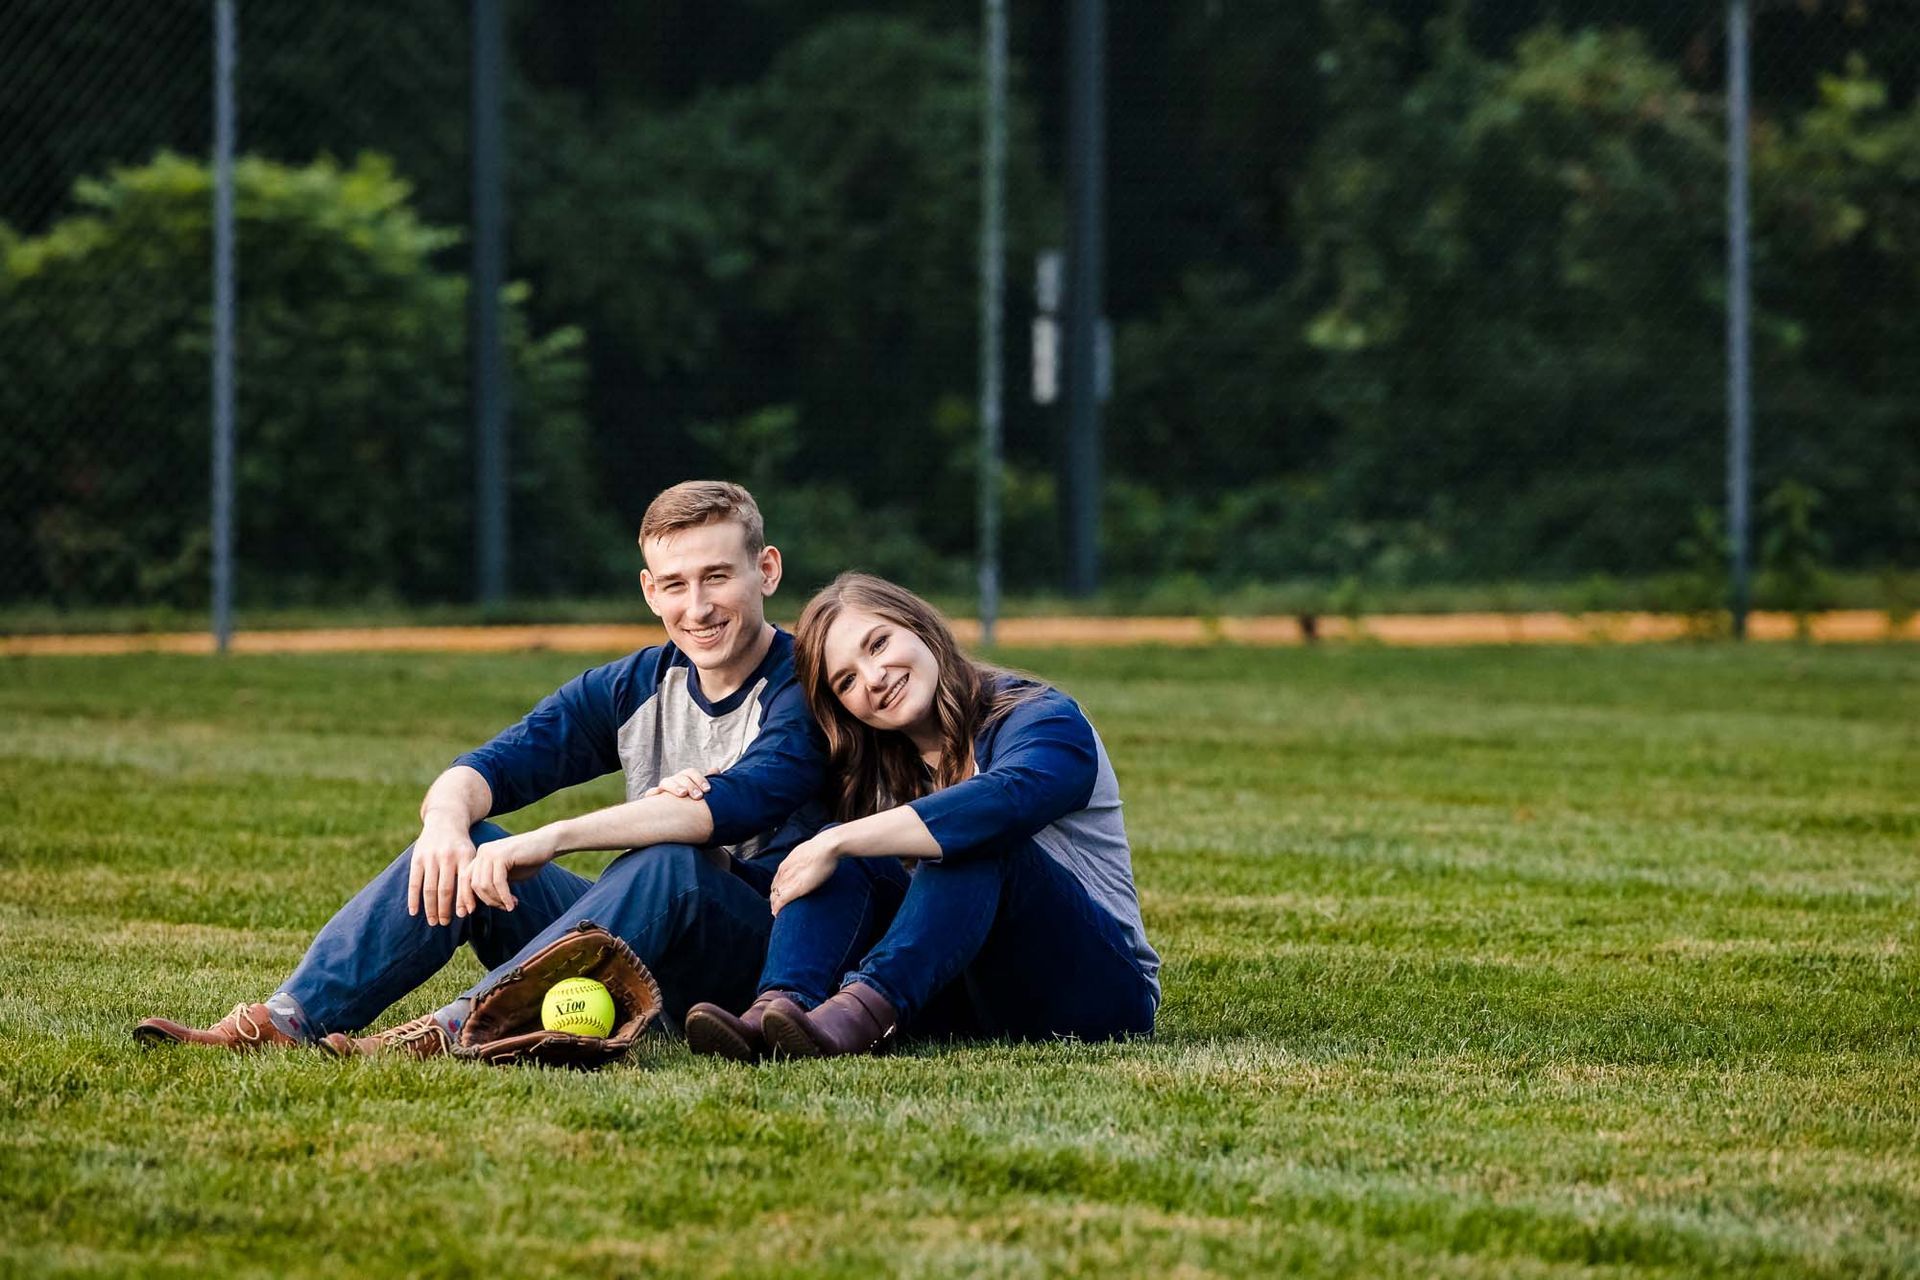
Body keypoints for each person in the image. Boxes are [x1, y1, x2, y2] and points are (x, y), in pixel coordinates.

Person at [134, 481, 826, 1058]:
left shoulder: (812, 686)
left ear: (765, 570)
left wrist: (552, 837)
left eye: (717, 577)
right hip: (646, 945)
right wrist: (443, 825)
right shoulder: (635, 683)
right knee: (474, 846)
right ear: (649, 591)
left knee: (672, 862)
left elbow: (736, 804)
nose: (697, 607)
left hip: (757, 972)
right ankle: (284, 1022)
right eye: (675, 584)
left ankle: (456, 1028)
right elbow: (489, 766)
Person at [681, 572, 1159, 1061]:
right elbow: (801, 884)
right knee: (841, 851)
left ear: (919, 625)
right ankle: (777, 1012)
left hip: (1097, 990)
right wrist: (717, 854)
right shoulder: (872, 769)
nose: (873, 678)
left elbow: (1006, 799)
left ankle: (856, 1020)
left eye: (879, 643)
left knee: (971, 835)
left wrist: (840, 839)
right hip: (967, 994)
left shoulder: (1044, 718)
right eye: (846, 681)